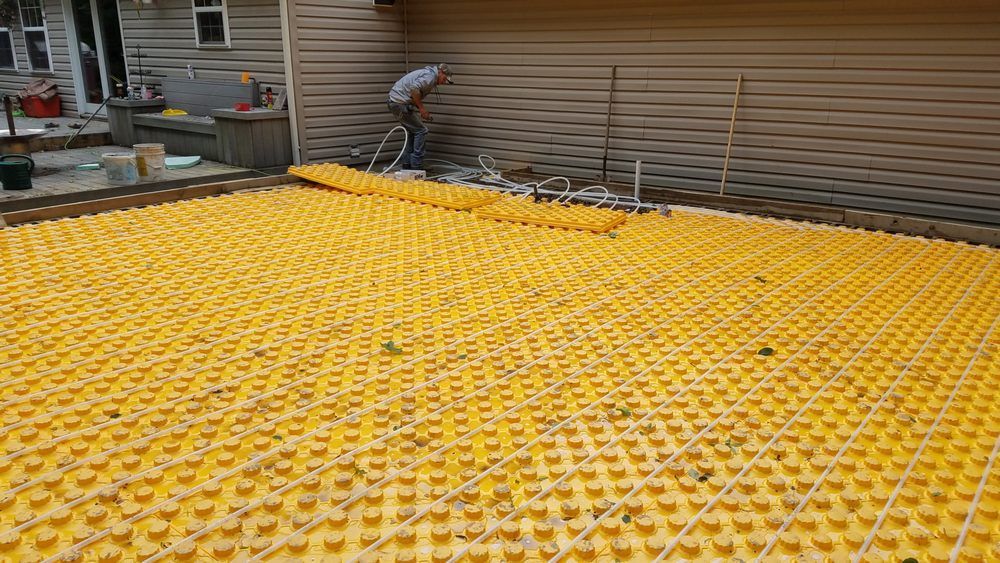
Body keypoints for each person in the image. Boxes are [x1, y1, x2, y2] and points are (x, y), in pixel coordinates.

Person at [387, 64, 453, 170]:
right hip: (399, 103)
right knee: (421, 131)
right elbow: (414, 89)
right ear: (440, 72)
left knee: (413, 131)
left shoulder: (429, 75)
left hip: (397, 102)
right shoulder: (430, 76)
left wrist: (421, 110)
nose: (444, 82)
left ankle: (407, 164)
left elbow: (413, 94)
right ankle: (416, 165)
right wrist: (422, 109)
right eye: (444, 79)